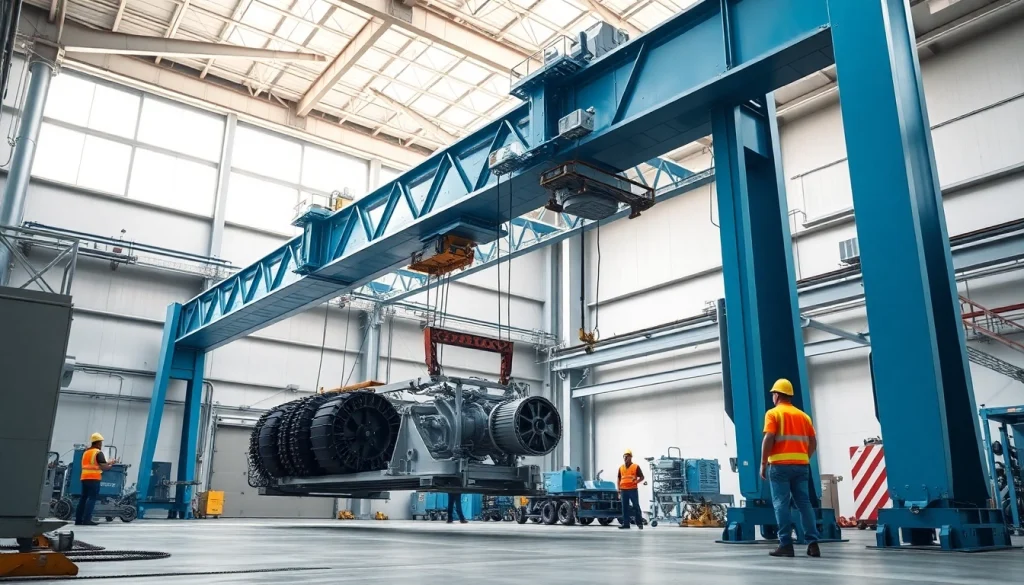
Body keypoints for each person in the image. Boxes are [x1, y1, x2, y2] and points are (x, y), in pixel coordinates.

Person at [760, 379, 821, 558]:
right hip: (801, 466)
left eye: (773, 394)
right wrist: (804, 457)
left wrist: (763, 463)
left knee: (781, 504)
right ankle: (813, 544)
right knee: (804, 503)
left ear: (777, 395)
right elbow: (813, 441)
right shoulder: (803, 416)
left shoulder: (773, 414)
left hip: (779, 466)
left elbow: (768, 437)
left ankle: (786, 544)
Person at [75, 433, 117, 526]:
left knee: (83, 498)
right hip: (93, 478)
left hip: (84, 477)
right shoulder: (98, 452)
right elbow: (104, 467)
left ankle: (78, 520)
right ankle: (87, 520)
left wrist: (108, 462)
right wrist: (110, 465)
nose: (101, 445)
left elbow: (94, 463)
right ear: (98, 443)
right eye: (101, 443)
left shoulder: (86, 452)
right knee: (92, 498)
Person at [617, 449, 645, 530]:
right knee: (625, 507)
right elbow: (618, 479)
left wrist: (637, 481)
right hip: (623, 490)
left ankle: (639, 523)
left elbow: (642, 477)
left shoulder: (635, 467)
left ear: (630, 457)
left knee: (636, 506)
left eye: (627, 456)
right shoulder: (621, 468)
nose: (625, 458)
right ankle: (626, 524)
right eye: (624, 456)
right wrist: (618, 489)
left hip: (632, 489)